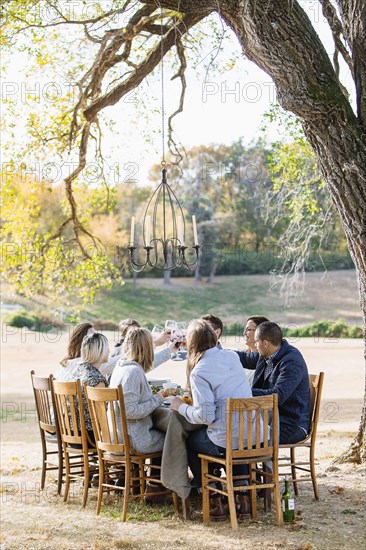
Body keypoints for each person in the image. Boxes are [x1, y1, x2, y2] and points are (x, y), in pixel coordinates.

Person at [171, 319, 256, 520]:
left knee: (193, 441)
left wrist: (180, 407)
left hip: (229, 439)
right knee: (235, 436)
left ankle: (214, 498)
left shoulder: (199, 371)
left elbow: (205, 416)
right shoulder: (232, 357)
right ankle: (243, 500)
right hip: (254, 435)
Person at [236, 321, 310, 444]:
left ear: (265, 343)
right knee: (236, 432)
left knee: (242, 437)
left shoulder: (292, 362)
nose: (254, 345)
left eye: (256, 341)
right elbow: (243, 358)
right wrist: (217, 351)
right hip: (268, 418)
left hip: (290, 424)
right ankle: (255, 463)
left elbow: (277, 395)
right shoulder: (266, 354)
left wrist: (243, 391)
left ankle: (259, 462)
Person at [109, 327, 165, 454]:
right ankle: (166, 474)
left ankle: (155, 474)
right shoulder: (132, 372)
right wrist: (157, 400)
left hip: (116, 437)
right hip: (132, 440)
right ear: (148, 349)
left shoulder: (121, 366)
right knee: (174, 437)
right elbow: (130, 411)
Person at [67, 332, 109, 443]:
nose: (109, 352)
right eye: (107, 348)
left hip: (70, 434)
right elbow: (103, 417)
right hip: (90, 438)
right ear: (101, 352)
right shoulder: (96, 380)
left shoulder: (76, 371)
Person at [111, 318, 179, 367]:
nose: (138, 334)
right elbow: (142, 363)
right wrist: (155, 343)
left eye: (139, 331)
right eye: (133, 332)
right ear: (124, 335)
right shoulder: (120, 350)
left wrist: (168, 349)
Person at [242, 315, 269, 385]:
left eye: (249, 330)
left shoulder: (268, 362)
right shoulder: (241, 355)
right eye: (246, 329)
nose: (245, 333)